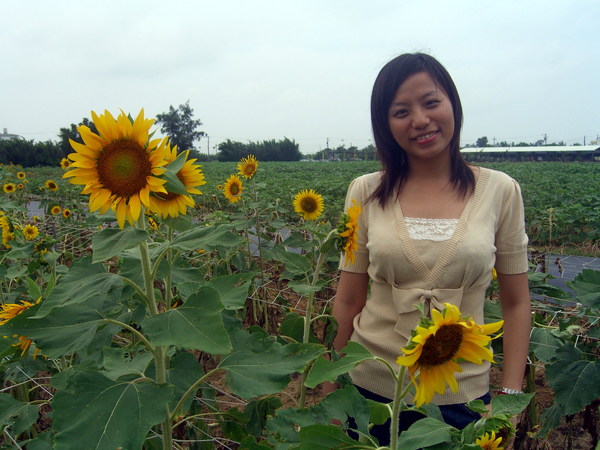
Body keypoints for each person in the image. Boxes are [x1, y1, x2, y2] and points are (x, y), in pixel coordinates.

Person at [324, 53, 531, 446]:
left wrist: (509, 397)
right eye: (401, 111)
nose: (420, 119)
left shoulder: (500, 191)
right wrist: (331, 389)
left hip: (462, 397)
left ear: (453, 103)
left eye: (431, 102)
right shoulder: (365, 191)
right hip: (367, 391)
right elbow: (348, 300)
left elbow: (517, 303)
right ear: (385, 125)